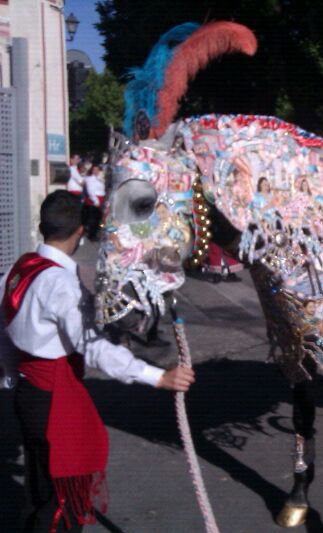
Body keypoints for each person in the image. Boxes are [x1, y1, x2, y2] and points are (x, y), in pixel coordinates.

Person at [0, 191, 194, 532]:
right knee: (61, 502)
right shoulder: (60, 284)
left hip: (28, 393)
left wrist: (12, 375)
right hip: (55, 398)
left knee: (39, 488)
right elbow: (92, 348)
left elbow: (4, 330)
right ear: (78, 233)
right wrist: (157, 377)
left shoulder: (18, 269)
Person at [83, 165, 106, 241]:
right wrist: (96, 201)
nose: (96, 171)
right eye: (94, 170)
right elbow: (90, 191)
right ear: (91, 171)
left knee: (100, 218)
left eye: (97, 170)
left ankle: (97, 232)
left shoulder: (99, 179)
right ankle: (92, 235)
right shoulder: (90, 179)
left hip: (101, 199)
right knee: (94, 219)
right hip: (95, 200)